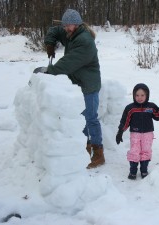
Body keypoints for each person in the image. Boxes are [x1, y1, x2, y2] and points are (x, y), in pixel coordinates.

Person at [34, 9, 105, 169]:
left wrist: (49, 70)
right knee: (80, 118)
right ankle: (85, 148)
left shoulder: (84, 41)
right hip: (78, 83)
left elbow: (69, 62)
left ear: (77, 24)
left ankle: (98, 152)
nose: (65, 28)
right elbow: (54, 30)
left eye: (68, 25)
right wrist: (50, 43)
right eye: (65, 25)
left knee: (91, 118)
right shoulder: (71, 33)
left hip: (89, 84)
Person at [116, 83, 159, 180]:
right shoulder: (130, 108)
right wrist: (120, 132)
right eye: (137, 95)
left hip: (148, 134)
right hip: (135, 134)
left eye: (142, 95)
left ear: (147, 95)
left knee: (146, 151)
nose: (139, 97)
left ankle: (144, 170)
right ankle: (133, 171)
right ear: (134, 95)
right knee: (134, 151)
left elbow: (158, 116)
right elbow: (125, 121)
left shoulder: (151, 107)